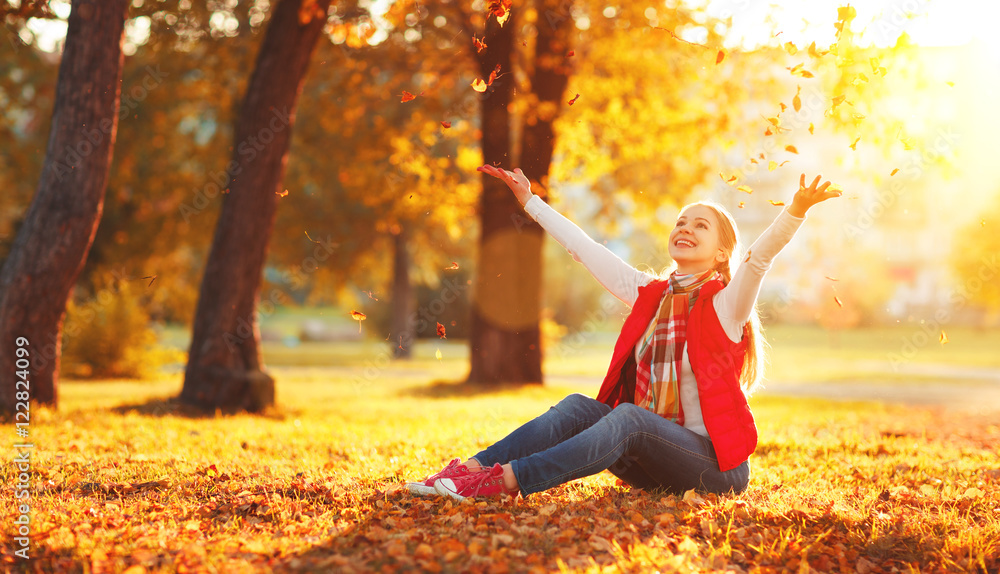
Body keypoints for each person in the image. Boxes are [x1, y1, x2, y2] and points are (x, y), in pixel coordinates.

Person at [406, 166, 841, 501]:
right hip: (653, 465)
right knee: (579, 407)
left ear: (723, 251)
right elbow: (586, 249)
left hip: (715, 469)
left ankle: (502, 482)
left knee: (630, 417)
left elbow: (759, 260)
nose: (685, 228)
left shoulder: (727, 304)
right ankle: (463, 472)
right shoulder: (649, 295)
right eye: (681, 222)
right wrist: (530, 202)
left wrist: (796, 209)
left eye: (700, 226)